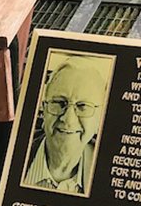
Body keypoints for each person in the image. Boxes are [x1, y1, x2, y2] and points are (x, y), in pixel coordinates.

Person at [21, 55, 111, 196]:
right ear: (44, 109)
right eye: (59, 103)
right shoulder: (9, 155)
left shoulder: (112, 179)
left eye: (82, 106)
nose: (67, 119)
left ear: (100, 118)